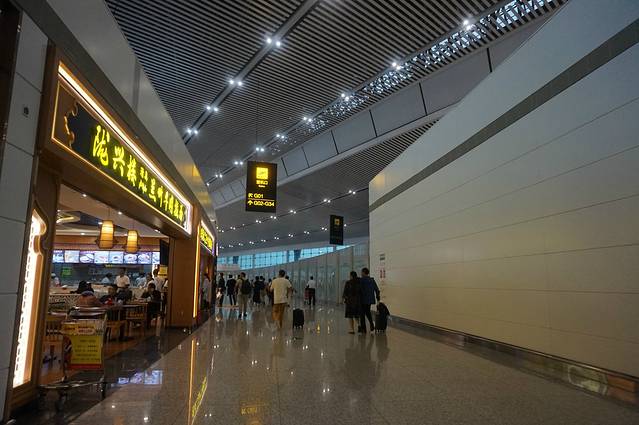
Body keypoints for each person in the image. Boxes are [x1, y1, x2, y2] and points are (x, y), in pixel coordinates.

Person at [359, 267, 380, 334]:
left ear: (363, 272)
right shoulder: (372, 280)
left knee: (362, 314)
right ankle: (371, 324)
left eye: (361, 272)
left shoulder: (361, 280)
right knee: (367, 311)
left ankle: (364, 329)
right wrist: (378, 298)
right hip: (370, 299)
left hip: (363, 299)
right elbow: (377, 289)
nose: (361, 273)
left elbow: (360, 290)